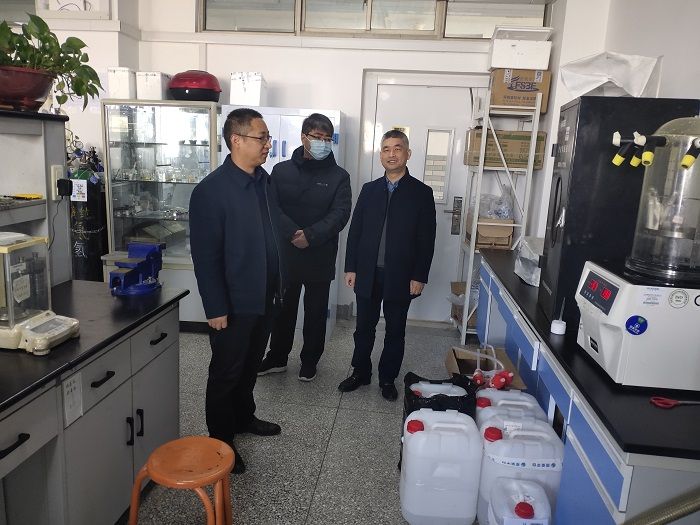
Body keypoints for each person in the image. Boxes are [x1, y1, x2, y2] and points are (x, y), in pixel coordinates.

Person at [189, 108, 284, 474]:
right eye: (262, 138)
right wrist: (215, 307)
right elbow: (206, 256)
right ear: (237, 140)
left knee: (249, 367)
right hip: (233, 302)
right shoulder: (211, 191)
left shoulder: (264, 182)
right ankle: (221, 440)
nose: (267, 144)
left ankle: (244, 418)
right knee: (226, 373)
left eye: (267, 138)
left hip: (265, 295)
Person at [338, 129, 436, 401]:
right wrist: (351, 267)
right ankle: (360, 372)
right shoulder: (369, 190)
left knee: (395, 330)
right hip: (367, 273)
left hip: (401, 276)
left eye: (397, 148)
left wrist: (419, 275)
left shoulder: (421, 193)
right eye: (386, 149)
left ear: (408, 153)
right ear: (380, 154)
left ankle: (387, 379)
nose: (391, 154)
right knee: (363, 328)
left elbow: (426, 239)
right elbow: (355, 231)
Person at [258, 113, 352, 381]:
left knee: (315, 313)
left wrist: (310, 235)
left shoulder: (339, 176)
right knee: (283, 310)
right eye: (317, 137)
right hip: (286, 255)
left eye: (327, 139)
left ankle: (309, 361)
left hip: (320, 255)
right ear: (303, 137)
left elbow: (340, 214)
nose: (323, 143)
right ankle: (277, 357)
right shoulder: (281, 171)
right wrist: (292, 233)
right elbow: (272, 206)